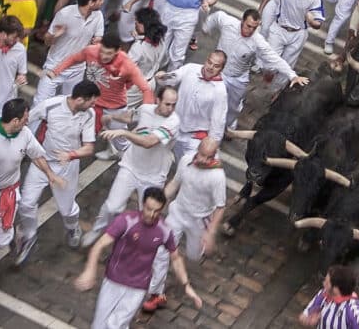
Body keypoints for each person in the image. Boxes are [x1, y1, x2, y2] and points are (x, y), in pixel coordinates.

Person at [75, 187, 202, 329]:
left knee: (116, 325)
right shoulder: (126, 221)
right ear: (143, 204)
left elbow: (176, 258)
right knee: (98, 325)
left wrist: (186, 285)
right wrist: (90, 270)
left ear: (162, 209)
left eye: (157, 211)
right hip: (113, 280)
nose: (152, 214)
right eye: (149, 209)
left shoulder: (164, 231)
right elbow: (99, 245)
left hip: (137, 287)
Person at [14, 81, 99, 263]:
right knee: (26, 203)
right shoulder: (50, 106)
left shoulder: (89, 114)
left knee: (66, 209)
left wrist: (70, 155)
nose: (94, 105)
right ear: (79, 99)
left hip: (67, 167)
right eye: (91, 101)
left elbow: (89, 148)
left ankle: (72, 227)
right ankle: (29, 236)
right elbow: (26, 121)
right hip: (41, 162)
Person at [85, 86, 181, 246]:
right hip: (130, 166)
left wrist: (124, 133)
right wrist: (111, 118)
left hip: (153, 176)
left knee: (148, 214)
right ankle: (97, 230)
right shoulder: (146, 109)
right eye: (167, 104)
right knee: (111, 207)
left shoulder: (173, 122)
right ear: (157, 100)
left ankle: (138, 243)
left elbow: (149, 142)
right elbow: (130, 117)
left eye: (174, 105)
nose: (171, 108)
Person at [143, 138, 227, 311]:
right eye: (202, 155)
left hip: (199, 220)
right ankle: (156, 293)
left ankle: (183, 257)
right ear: (198, 149)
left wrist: (210, 232)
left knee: (194, 255)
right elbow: (175, 183)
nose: (203, 160)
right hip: (178, 213)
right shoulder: (186, 160)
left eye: (208, 157)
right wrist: (158, 204)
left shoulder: (217, 176)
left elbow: (220, 207)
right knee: (161, 252)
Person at [49, 31, 153, 157]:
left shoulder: (127, 65)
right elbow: (74, 58)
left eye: (108, 53)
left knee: (121, 143)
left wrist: (148, 116)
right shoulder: (90, 51)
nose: (103, 56)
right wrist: (56, 71)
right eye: (102, 51)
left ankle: (135, 162)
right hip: (93, 104)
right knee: (79, 132)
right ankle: (63, 156)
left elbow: (146, 89)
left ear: (117, 51)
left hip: (115, 108)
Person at [203, 9, 308, 128]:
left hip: (238, 79)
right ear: (242, 21)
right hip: (218, 73)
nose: (251, 30)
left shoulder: (258, 41)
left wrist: (292, 75)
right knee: (208, 99)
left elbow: (274, 58)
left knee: (232, 108)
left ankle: (227, 126)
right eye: (248, 26)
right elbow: (217, 16)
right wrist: (207, 27)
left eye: (255, 27)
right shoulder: (228, 23)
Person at [0, 99, 55, 251]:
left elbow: (37, 156)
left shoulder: (25, 134)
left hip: (9, 194)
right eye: (25, 119)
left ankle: (12, 235)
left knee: (1, 242)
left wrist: (50, 174)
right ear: (15, 120)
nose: (27, 122)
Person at [34, 0, 106, 106]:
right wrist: (54, 36)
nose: (103, 2)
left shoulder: (98, 16)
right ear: (91, 2)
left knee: (70, 107)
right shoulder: (64, 14)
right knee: (40, 104)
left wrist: (97, 41)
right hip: (54, 66)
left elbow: (99, 37)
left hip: (77, 70)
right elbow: (47, 41)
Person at [160, 50, 229, 162]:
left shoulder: (220, 91)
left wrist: (212, 145)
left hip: (195, 137)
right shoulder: (190, 68)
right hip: (175, 126)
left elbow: (218, 121)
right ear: (206, 60)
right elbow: (174, 77)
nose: (211, 67)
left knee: (188, 166)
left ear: (221, 69)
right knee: (162, 156)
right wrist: (162, 77)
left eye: (216, 66)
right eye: (209, 62)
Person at [259, 0, 325, 71]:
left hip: (298, 34)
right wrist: (260, 11)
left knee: (287, 68)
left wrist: (311, 21)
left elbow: (318, 24)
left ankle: (277, 87)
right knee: (269, 66)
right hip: (279, 29)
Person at [299, 264, 359, 328]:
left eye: (326, 283)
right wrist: (308, 320)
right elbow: (305, 315)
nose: (323, 284)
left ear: (336, 289)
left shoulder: (351, 310)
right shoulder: (324, 293)